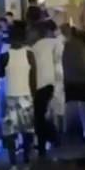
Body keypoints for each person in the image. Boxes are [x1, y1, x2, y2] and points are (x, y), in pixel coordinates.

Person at [0, 26, 36, 170]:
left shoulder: (5, 55)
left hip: (10, 97)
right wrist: (33, 95)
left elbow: (0, 75)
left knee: (10, 133)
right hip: (26, 96)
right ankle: (26, 160)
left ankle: (13, 163)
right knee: (27, 132)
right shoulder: (29, 54)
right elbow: (33, 77)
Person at [62, 27, 85, 141]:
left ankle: (69, 130)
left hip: (72, 79)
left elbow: (65, 62)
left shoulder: (68, 46)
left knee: (75, 104)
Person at [30, 24, 59, 157]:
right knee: (40, 116)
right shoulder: (52, 43)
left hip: (40, 86)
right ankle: (48, 140)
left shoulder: (35, 47)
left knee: (39, 117)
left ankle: (50, 139)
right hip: (49, 84)